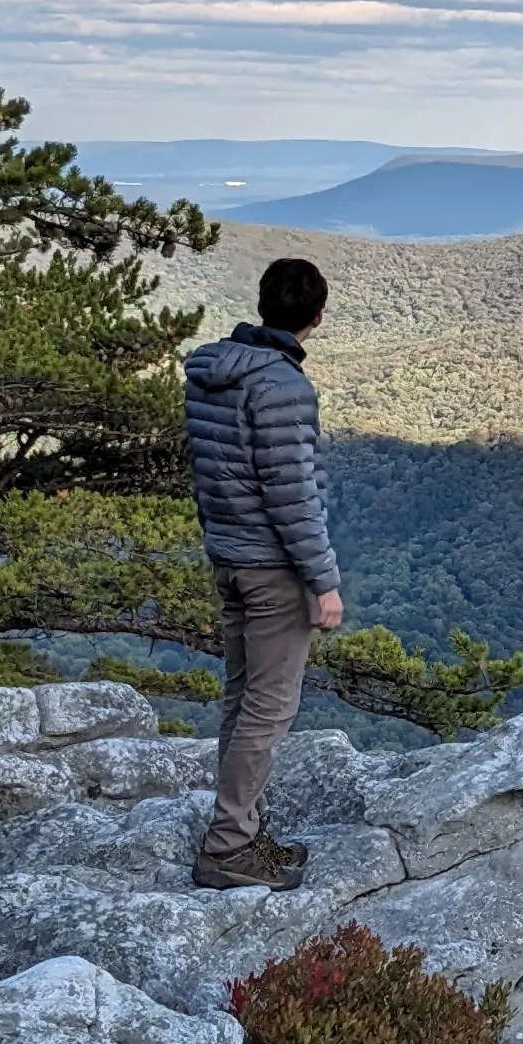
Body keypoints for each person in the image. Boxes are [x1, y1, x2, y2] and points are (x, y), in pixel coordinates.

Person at [181, 254, 346, 889]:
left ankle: (243, 827)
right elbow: (291, 494)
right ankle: (228, 848)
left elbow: (210, 472)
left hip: (228, 555)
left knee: (242, 698)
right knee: (269, 709)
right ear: (316, 317)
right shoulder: (282, 387)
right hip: (272, 566)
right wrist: (322, 582)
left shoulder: (212, 374)